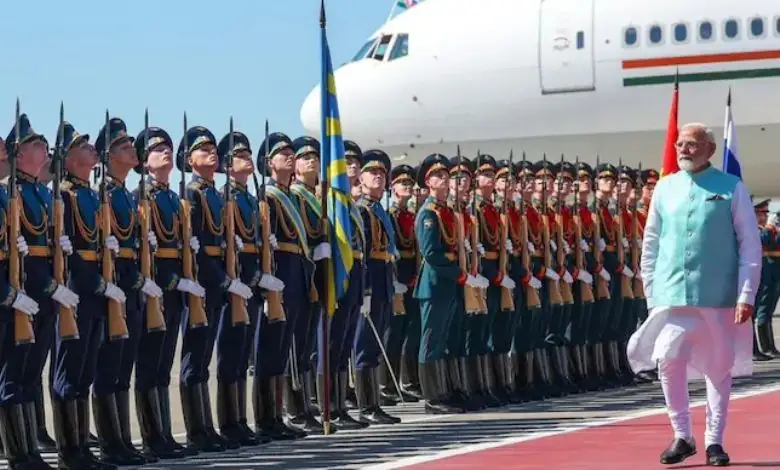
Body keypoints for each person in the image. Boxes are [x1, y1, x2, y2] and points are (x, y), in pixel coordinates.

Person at [627, 122, 760, 467]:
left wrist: (747, 293)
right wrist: (651, 290)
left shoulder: (731, 188)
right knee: (668, 361)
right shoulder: (665, 188)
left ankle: (715, 440)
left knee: (718, 368)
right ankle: (682, 434)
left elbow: (749, 244)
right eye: (679, 144)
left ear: (709, 149)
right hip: (672, 294)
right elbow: (651, 241)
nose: (683, 149)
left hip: (718, 295)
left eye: (691, 144)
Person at [92, 118, 156, 466]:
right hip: (114, 287)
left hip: (131, 286)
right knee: (108, 367)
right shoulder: (104, 194)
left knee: (122, 367)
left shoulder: (126, 196)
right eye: (124, 145)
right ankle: (108, 443)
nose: (133, 148)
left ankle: (122, 441)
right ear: (109, 155)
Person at [132, 126, 197, 459]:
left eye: (168, 147)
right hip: (154, 288)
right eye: (157, 149)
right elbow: (142, 251)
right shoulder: (140, 197)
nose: (166, 151)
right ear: (144, 161)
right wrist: (169, 282)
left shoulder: (173, 198)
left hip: (173, 289)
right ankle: (150, 436)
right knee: (148, 363)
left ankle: (164, 435)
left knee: (162, 365)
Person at [216, 130, 283, 445]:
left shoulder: (248, 197)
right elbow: (222, 245)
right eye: (240, 156)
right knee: (230, 356)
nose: (247, 159)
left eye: (247, 155)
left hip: (252, 284)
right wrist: (250, 279)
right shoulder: (222, 196)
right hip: (236, 285)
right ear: (228, 166)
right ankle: (228, 425)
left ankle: (242, 422)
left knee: (243, 356)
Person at [753, 197, 780, 359]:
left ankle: (768, 346)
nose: (764, 216)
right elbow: (765, 242)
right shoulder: (761, 230)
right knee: (762, 310)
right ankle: (763, 347)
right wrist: (770, 228)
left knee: (768, 310)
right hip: (766, 272)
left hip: (774, 273)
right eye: (762, 212)